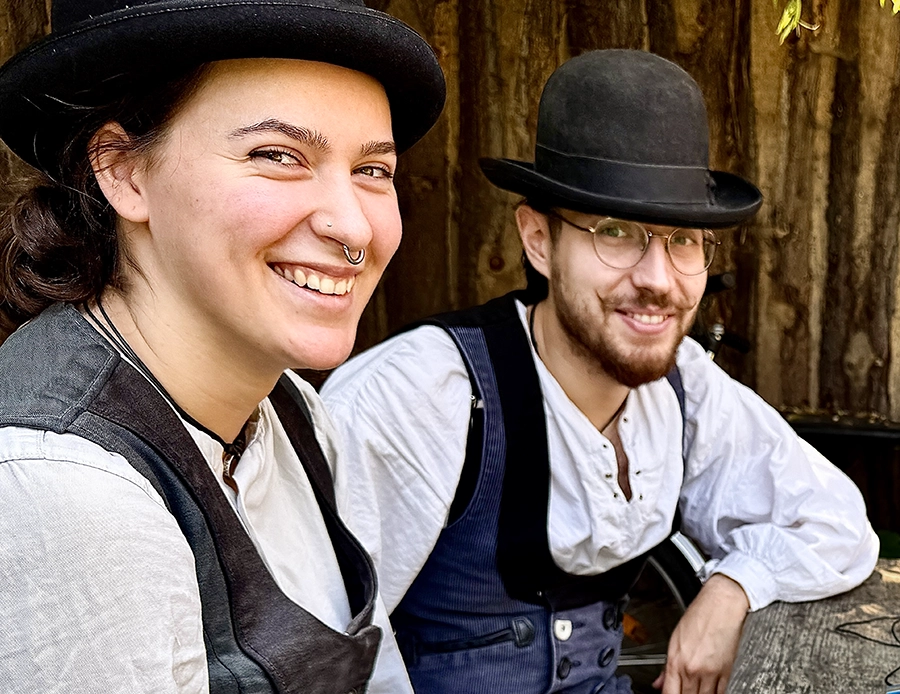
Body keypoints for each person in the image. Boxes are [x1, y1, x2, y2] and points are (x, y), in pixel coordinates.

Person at [321, 50, 879, 694]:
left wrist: (734, 587)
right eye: (616, 232)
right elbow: (327, 650)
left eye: (683, 241)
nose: (657, 280)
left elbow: (837, 523)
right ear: (538, 241)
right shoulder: (421, 395)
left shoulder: (683, 389)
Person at [0, 1, 444, 692]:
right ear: (122, 171)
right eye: (277, 155)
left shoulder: (293, 411)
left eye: (373, 171)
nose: (353, 225)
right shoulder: (68, 490)